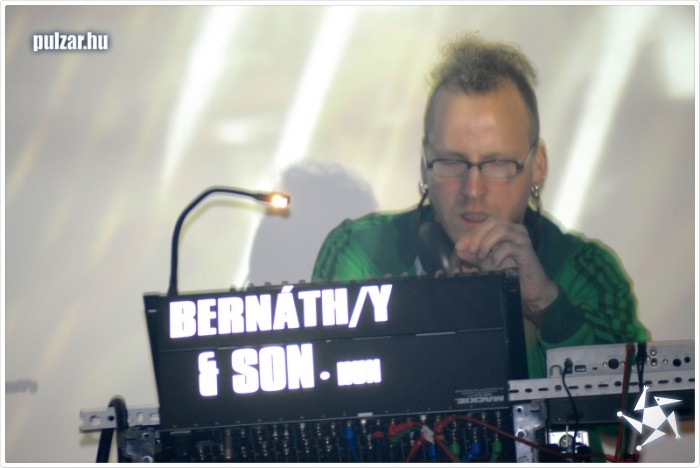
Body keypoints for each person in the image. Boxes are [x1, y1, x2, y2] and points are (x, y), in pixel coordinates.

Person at [311, 32, 650, 459]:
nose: (473, 189)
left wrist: (549, 309)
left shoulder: (587, 271)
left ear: (537, 165)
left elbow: (651, 420)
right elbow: (324, 419)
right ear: (424, 164)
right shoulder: (359, 254)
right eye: (452, 161)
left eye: (497, 163)